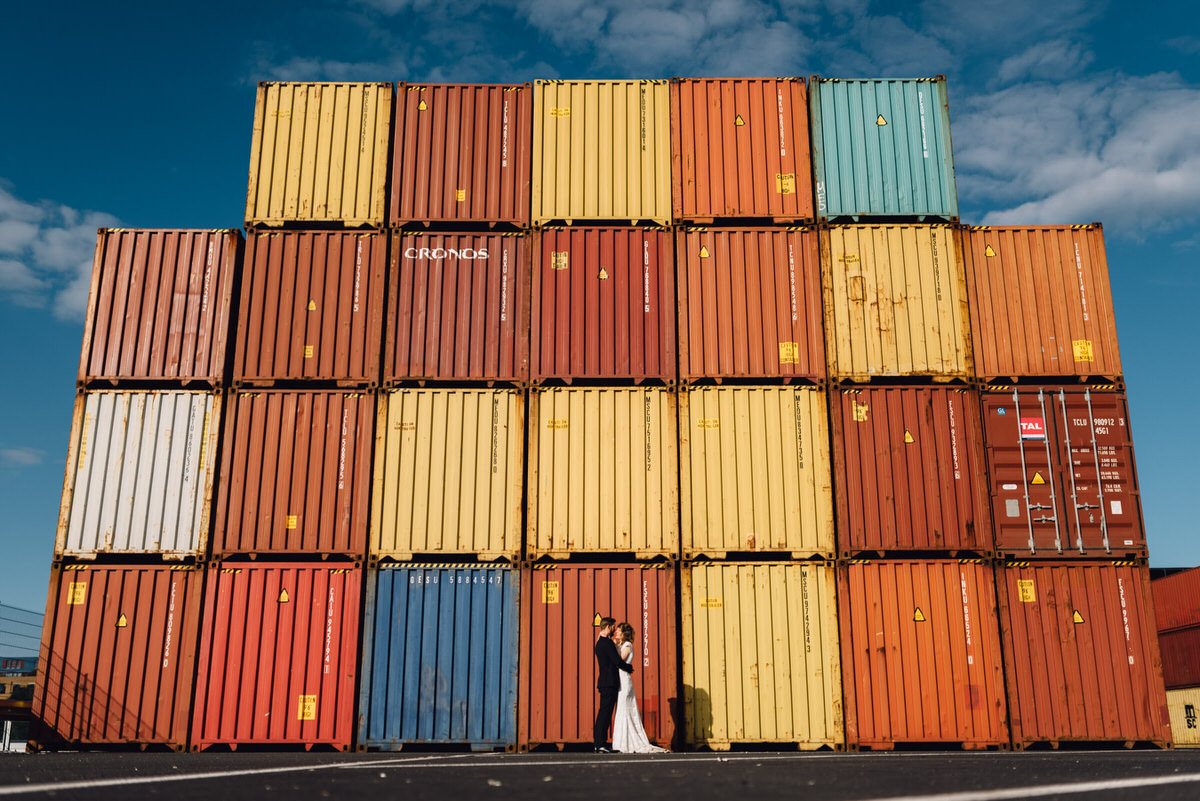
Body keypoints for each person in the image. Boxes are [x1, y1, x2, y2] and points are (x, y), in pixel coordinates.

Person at [611, 622, 667, 754]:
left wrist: (613, 648)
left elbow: (619, 661)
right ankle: (621, 741)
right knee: (621, 709)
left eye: (619, 631)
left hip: (624, 681)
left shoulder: (627, 645)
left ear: (624, 633)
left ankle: (627, 742)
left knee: (625, 709)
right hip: (620, 680)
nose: (616, 633)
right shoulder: (621, 645)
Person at [593, 616, 632, 753]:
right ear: (608, 626)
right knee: (605, 713)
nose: (614, 630)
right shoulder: (607, 643)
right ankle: (600, 744)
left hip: (604, 681)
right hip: (609, 682)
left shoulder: (600, 642)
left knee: (604, 712)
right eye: (613, 627)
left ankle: (599, 743)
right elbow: (616, 660)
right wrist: (629, 668)